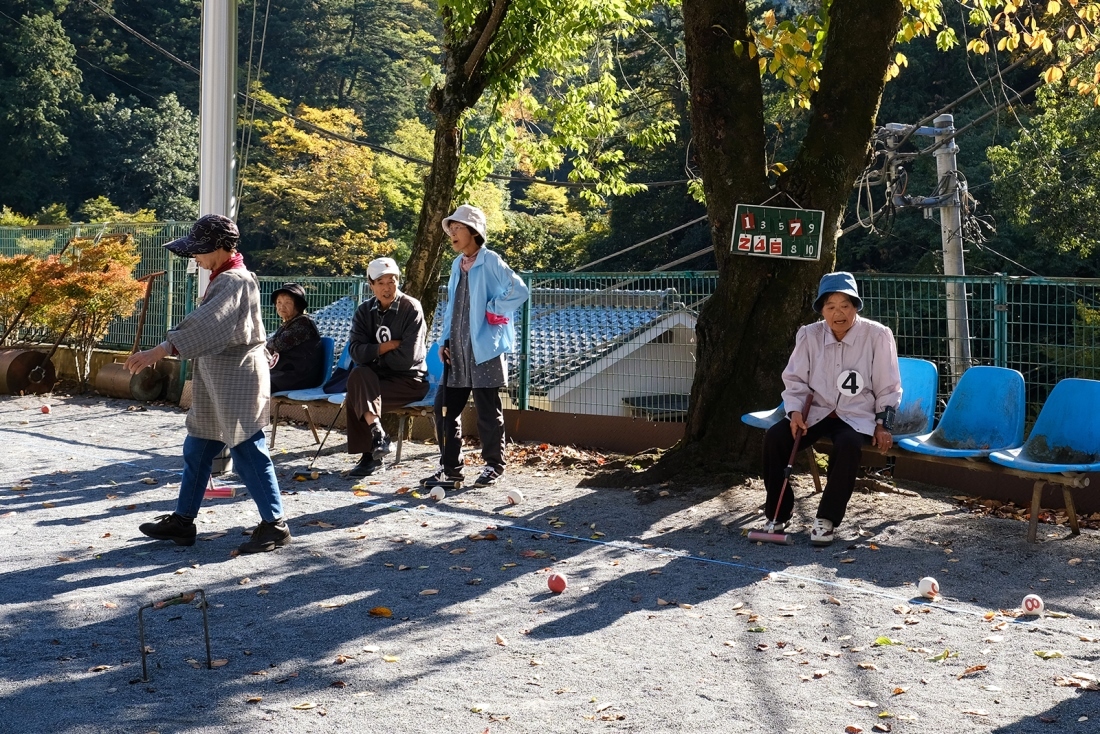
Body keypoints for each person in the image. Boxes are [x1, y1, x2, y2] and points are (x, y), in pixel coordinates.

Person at [126, 214, 291, 554]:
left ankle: (275, 525)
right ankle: (183, 521)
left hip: (238, 376)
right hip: (222, 375)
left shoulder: (233, 280)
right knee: (198, 447)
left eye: (198, 251)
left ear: (219, 247)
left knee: (247, 449)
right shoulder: (227, 276)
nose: (194, 257)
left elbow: (208, 324)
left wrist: (161, 348)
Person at [760, 271, 902, 546]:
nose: (838, 313)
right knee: (775, 438)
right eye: (831, 306)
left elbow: (889, 386)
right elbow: (796, 379)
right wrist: (795, 412)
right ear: (821, 309)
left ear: (856, 307)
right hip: (816, 411)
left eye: (845, 306)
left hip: (857, 414)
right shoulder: (809, 335)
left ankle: (827, 518)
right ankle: (777, 513)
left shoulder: (877, 335)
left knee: (848, 444)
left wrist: (884, 424)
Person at [421, 204, 530, 489]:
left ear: (473, 231)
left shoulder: (491, 260)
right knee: (443, 409)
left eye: (457, 229)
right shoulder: (457, 265)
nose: (452, 235)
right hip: (456, 350)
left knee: (486, 412)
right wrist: (443, 342)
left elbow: (520, 289)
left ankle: (494, 465)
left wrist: (496, 307)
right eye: (451, 230)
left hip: (485, 350)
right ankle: (451, 469)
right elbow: (452, 309)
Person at [344, 257, 429, 477]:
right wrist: (386, 347)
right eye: (380, 282)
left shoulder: (411, 308)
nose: (387, 288)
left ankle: (370, 455)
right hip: (377, 379)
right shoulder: (364, 311)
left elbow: (406, 358)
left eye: (392, 281)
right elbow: (354, 351)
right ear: (371, 285)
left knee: (357, 392)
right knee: (358, 375)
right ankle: (378, 436)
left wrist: (372, 354)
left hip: (409, 380)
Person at [266, 282, 324, 393]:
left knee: (257, 382)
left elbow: (278, 344)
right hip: (285, 374)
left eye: (287, 302)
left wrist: (269, 343)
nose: (281, 306)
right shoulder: (288, 323)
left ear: (297, 305)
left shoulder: (303, 323)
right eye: (279, 302)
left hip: (299, 376)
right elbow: (270, 347)